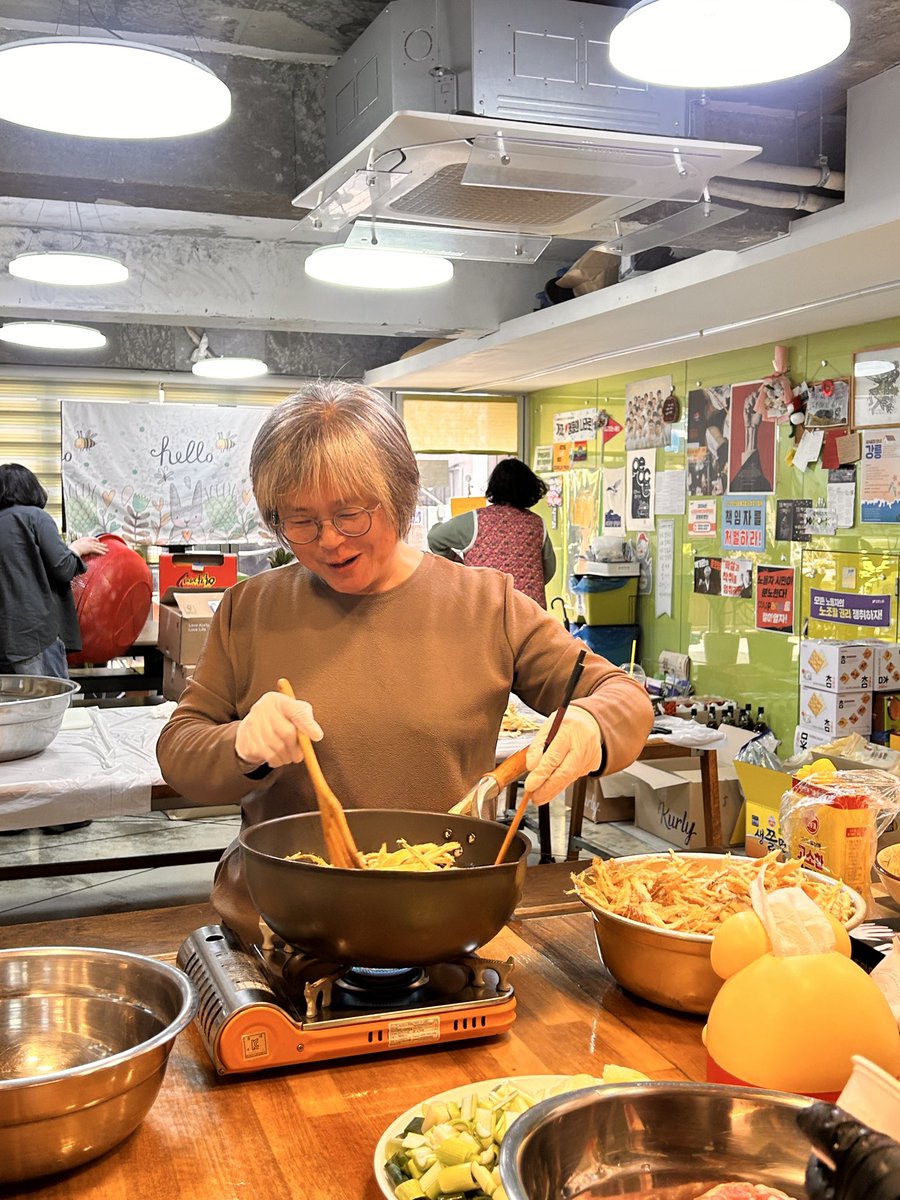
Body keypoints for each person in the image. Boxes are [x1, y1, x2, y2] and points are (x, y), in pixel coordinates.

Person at [156, 381, 653, 945]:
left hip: (440, 921)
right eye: (300, 520)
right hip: (280, 923)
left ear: (399, 495)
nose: (329, 541)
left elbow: (622, 697)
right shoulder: (250, 609)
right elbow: (179, 751)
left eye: (350, 514)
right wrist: (243, 744)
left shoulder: (486, 605)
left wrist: (591, 726)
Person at [0, 463, 107, 677]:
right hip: (35, 635)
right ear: (30, 488)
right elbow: (63, 568)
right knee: (52, 696)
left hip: (5, 639)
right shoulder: (36, 517)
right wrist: (76, 549)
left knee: (12, 698)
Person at [427, 458, 556, 607]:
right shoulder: (537, 524)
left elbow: (434, 538)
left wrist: (459, 565)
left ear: (494, 486)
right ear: (530, 488)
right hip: (529, 612)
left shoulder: (475, 520)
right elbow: (549, 569)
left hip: (485, 609)